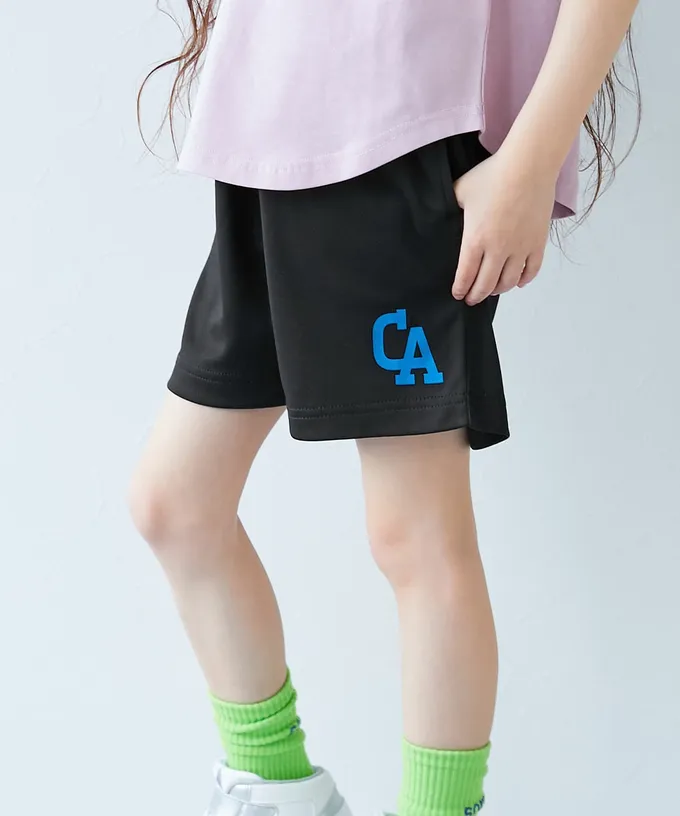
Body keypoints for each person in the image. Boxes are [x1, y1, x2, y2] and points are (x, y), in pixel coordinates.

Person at [131, 1, 640, 814]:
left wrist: (531, 158)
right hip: (273, 127)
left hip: (405, 121)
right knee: (175, 504)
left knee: (414, 533)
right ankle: (278, 789)